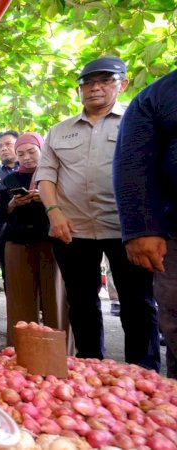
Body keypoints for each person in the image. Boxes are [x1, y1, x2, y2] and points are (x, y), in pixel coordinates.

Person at [37, 56, 160, 371]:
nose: (95, 88)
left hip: (128, 231)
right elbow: (46, 176)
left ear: (123, 84)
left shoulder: (139, 121)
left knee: (138, 304)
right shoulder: (59, 131)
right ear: (79, 90)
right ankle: (91, 366)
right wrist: (54, 213)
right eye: (88, 83)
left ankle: (142, 372)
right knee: (81, 303)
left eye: (105, 81)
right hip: (73, 230)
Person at [114, 68, 177, 378]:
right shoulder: (156, 96)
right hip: (171, 228)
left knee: (139, 304)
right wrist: (142, 227)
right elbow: (133, 160)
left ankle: (145, 369)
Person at [0, 132, 69, 346]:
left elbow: (71, 205)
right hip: (17, 242)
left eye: (31, 151)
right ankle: (21, 349)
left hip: (50, 240)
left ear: (42, 150)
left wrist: (46, 198)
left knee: (55, 298)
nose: (26, 157)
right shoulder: (9, 179)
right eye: (20, 153)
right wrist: (12, 204)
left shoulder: (57, 174)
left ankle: (59, 350)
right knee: (20, 300)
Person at [0, 130, 19, 289]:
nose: (4, 148)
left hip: (39, 231)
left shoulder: (35, 168)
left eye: (8, 144)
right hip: (5, 233)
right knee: (11, 277)